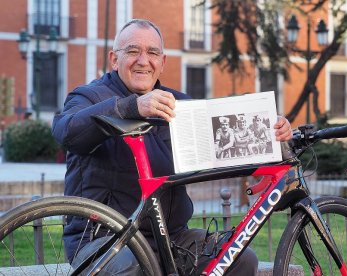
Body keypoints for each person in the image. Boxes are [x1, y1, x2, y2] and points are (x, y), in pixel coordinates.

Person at [52, 19, 293, 275]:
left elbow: (227, 144)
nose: (144, 60)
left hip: (171, 238)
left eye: (153, 52)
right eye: (133, 51)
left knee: (241, 259)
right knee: (134, 267)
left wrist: (273, 133)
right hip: (102, 239)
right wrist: (130, 107)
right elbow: (66, 132)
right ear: (114, 59)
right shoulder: (89, 96)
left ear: (163, 62)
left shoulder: (178, 104)